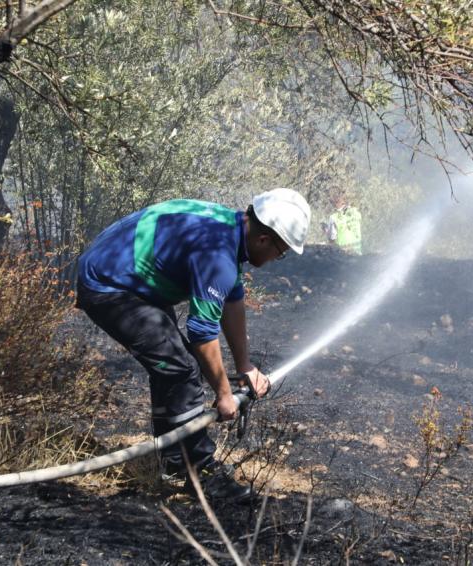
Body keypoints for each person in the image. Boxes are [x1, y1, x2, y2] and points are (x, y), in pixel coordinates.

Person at [75, 188, 311, 502]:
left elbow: (232, 300)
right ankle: (200, 473)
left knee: (173, 368)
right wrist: (224, 393)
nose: (275, 260)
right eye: (279, 253)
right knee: (183, 370)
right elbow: (201, 331)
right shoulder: (217, 253)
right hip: (110, 286)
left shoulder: (228, 229)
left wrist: (245, 366)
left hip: (134, 280)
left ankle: (173, 460)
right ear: (264, 240)